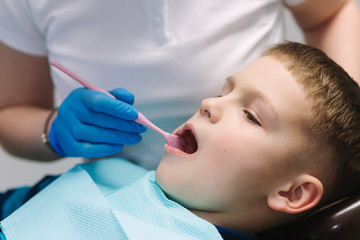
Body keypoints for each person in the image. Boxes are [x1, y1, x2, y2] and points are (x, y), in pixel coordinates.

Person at [1, 42, 359, 239]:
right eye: (223, 93)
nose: (208, 105)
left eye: (251, 115)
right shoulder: (113, 175)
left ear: (291, 193)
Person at [0, 1, 359, 171]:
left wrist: (343, 137)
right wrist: (53, 131)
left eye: (250, 115)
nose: (208, 103)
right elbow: (11, 112)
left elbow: (333, 11)